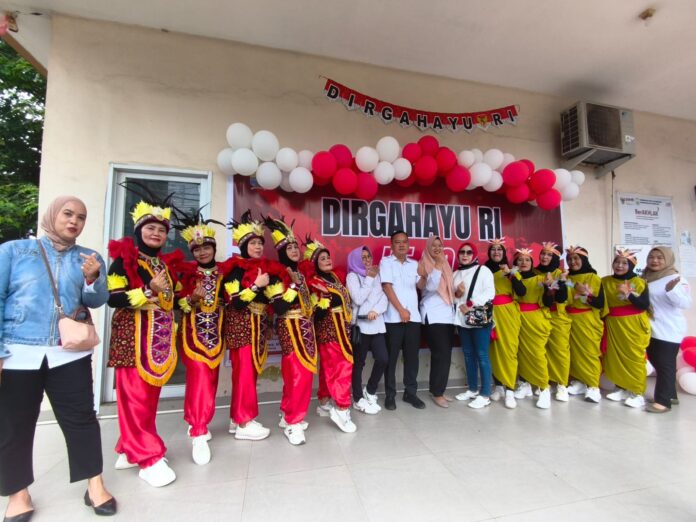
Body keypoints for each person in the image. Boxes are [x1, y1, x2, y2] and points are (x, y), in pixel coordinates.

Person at [0, 196, 116, 520]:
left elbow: (98, 300)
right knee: (14, 424)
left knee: (82, 419)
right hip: (19, 352)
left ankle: (94, 483)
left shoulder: (89, 257)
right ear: (53, 214)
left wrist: (93, 278)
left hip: (69, 353)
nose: (74, 221)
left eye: (81, 216)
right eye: (68, 214)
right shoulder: (14, 251)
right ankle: (18, 493)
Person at [107, 192, 183, 488]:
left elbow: (173, 298)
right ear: (139, 230)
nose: (156, 234)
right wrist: (148, 290)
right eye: (151, 228)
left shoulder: (164, 265)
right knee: (135, 398)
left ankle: (129, 448)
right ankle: (148, 457)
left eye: (162, 230)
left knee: (148, 400)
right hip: (133, 339)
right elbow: (113, 298)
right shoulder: (123, 261)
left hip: (159, 341)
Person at [171, 211, 230, 464]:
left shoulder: (225, 273)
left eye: (206, 247)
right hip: (192, 335)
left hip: (217, 334)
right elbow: (174, 302)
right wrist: (190, 299)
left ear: (213, 248)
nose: (202, 252)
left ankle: (195, 418)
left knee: (209, 380)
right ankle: (198, 430)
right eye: (197, 249)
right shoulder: (184, 273)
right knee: (200, 379)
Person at [223, 211, 283, 441]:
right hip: (241, 326)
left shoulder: (265, 269)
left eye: (260, 243)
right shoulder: (233, 269)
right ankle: (244, 422)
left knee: (248, 374)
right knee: (244, 374)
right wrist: (256, 286)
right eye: (253, 243)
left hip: (258, 326)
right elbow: (236, 302)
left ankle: (237, 418)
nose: (258, 247)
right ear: (243, 245)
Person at [263, 216, 317, 445]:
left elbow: (308, 303)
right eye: (289, 248)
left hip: (306, 327)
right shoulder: (277, 274)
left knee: (302, 373)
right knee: (296, 372)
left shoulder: (303, 273)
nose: (294, 250)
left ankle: (288, 414)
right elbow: (279, 307)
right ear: (282, 252)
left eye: (296, 247)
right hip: (289, 326)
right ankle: (294, 422)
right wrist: (293, 285)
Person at [306, 238, 357, 433]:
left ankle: (324, 402)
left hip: (342, 328)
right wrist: (324, 299)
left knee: (330, 368)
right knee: (341, 367)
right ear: (315, 263)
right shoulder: (315, 282)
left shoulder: (334, 277)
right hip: (329, 330)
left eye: (328, 257)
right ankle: (342, 409)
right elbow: (315, 312)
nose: (327, 260)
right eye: (322, 258)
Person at [643, 246, 692, 413]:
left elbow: (685, 303)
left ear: (668, 259)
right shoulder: (646, 277)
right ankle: (671, 395)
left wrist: (672, 291)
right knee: (658, 362)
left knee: (664, 365)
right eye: (651, 257)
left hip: (669, 329)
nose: (655, 260)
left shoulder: (676, 279)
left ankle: (663, 402)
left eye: (660, 257)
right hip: (652, 328)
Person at [380, 230, 425, 410]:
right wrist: (401, 310)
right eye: (397, 242)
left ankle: (410, 393)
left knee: (412, 358)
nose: (401, 245)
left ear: (408, 245)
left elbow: (420, 286)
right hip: (393, 319)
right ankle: (390, 395)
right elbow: (387, 287)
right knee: (391, 359)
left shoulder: (414, 264)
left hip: (413, 318)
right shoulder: (386, 262)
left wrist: (424, 275)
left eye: (404, 242)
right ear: (391, 245)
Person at [601, 249, 651, 408]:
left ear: (631, 266)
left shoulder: (639, 282)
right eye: (617, 262)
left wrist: (628, 294)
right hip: (614, 324)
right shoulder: (605, 281)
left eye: (624, 263)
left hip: (633, 325)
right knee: (615, 357)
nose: (619, 265)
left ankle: (637, 393)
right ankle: (621, 388)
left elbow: (644, 305)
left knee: (634, 358)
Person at [452, 242, 495, 409]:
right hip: (462, 320)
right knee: (468, 355)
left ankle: (485, 394)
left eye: (469, 252)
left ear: (474, 254)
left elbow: (490, 292)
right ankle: (472, 389)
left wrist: (470, 303)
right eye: (462, 252)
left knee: (482, 355)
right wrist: (458, 294)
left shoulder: (483, 270)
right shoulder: (455, 274)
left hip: (479, 318)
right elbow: (452, 297)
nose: (465, 255)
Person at [346, 246, 387, 415]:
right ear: (356, 260)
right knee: (359, 363)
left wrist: (376, 311)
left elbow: (383, 297)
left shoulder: (377, 275)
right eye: (363, 257)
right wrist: (369, 278)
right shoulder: (352, 276)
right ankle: (357, 398)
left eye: (368, 256)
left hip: (377, 324)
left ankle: (369, 390)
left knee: (383, 359)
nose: (367, 260)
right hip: (361, 327)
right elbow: (358, 298)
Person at [485, 238, 525, 409]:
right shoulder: (484, 270)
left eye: (499, 249)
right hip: (490, 312)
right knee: (493, 350)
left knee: (509, 351)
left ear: (503, 253)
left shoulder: (512, 271)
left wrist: (510, 274)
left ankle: (510, 390)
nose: (496, 252)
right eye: (493, 249)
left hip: (508, 313)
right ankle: (499, 387)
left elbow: (522, 291)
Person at [417, 236, 455, 408]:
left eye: (440, 245)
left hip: (448, 315)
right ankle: (437, 393)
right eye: (434, 245)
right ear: (428, 247)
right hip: (433, 316)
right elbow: (431, 287)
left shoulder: (445, 264)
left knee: (445, 355)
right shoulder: (423, 264)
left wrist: (458, 291)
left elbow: (449, 289)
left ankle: (439, 389)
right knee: (440, 354)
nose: (437, 248)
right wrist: (438, 265)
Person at [512, 248, 553, 409]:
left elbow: (548, 303)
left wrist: (549, 288)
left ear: (532, 262)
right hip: (517, 319)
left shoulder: (541, 278)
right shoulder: (513, 278)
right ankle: (525, 384)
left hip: (535, 320)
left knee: (536, 354)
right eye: (520, 259)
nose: (524, 262)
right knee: (521, 353)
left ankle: (544, 388)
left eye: (527, 259)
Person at [565, 245, 605, 403]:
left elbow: (600, 303)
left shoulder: (593, 277)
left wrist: (585, 294)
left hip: (587, 319)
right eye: (569, 259)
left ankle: (593, 386)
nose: (572, 262)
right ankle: (579, 381)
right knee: (574, 353)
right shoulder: (567, 278)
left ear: (584, 260)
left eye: (576, 258)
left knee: (589, 352)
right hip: (570, 319)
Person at [535, 242, 571, 402]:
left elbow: (563, 298)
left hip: (557, 315)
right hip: (538, 314)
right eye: (543, 253)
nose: (545, 257)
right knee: (540, 350)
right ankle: (544, 381)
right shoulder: (534, 272)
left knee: (560, 350)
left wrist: (559, 283)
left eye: (549, 255)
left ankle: (562, 384)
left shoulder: (561, 274)